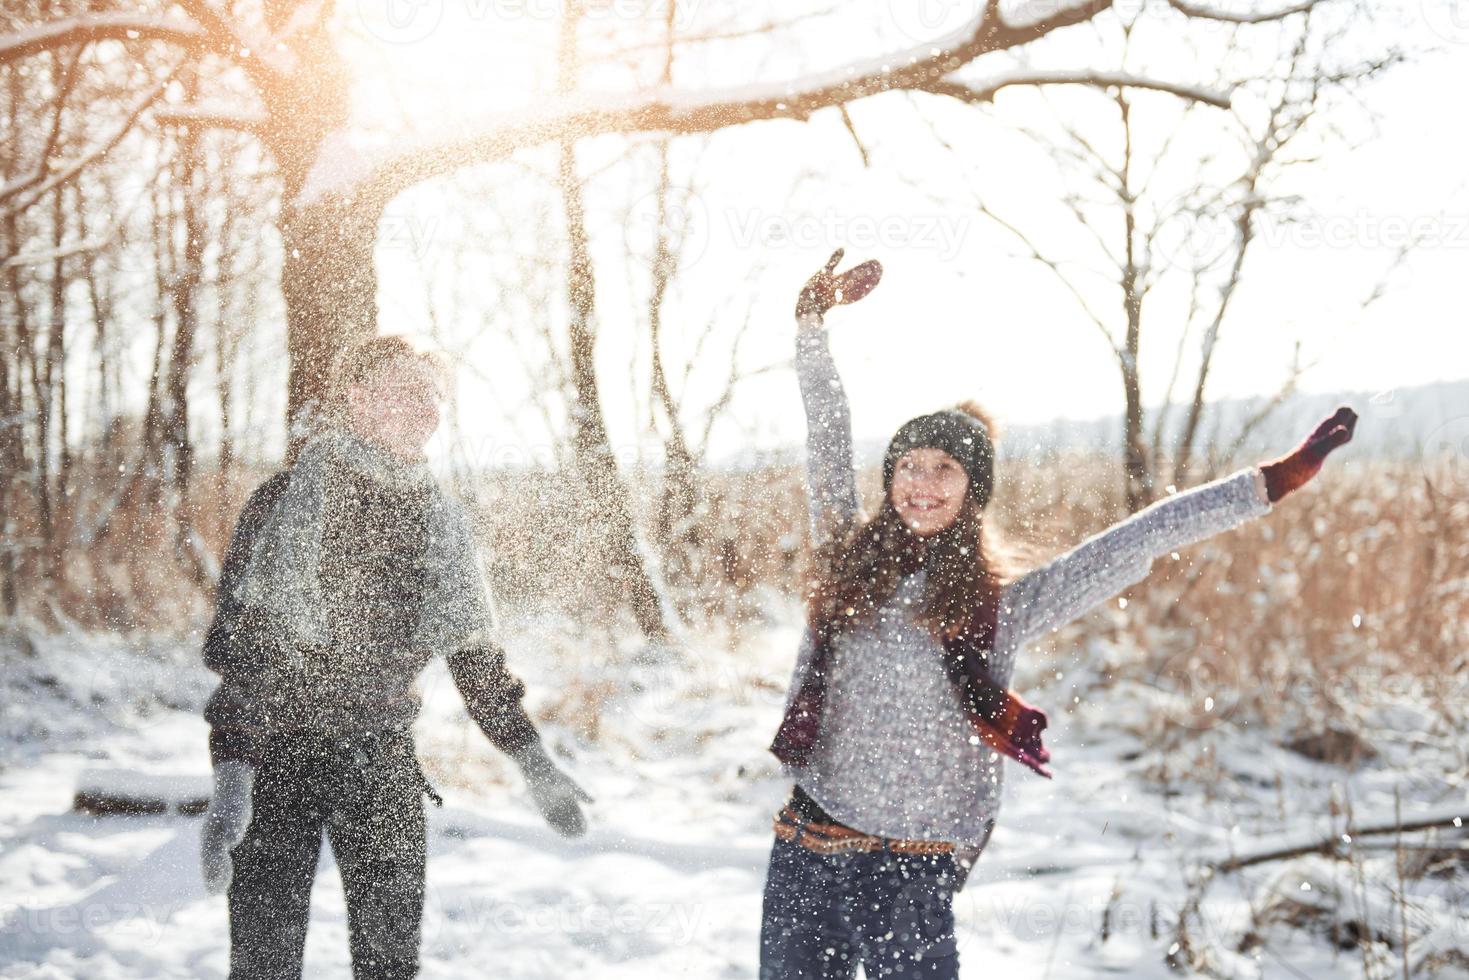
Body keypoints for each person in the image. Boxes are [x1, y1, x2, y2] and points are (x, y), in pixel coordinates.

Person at [758, 250, 1358, 979]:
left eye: (943, 469)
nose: (921, 483)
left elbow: (1137, 540)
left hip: (914, 861)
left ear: (970, 491)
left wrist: (1267, 484)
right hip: (811, 840)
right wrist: (810, 326)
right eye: (908, 466)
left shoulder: (1000, 607)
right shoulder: (845, 558)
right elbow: (826, 434)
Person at [197, 335, 591, 979]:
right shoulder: (286, 501)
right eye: (403, 390)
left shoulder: (438, 518)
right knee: (263, 968)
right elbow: (247, 652)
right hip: (277, 758)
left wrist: (531, 758)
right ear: (355, 400)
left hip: (379, 759)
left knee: (390, 966)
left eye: (431, 393)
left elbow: (473, 654)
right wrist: (233, 782)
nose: (423, 407)